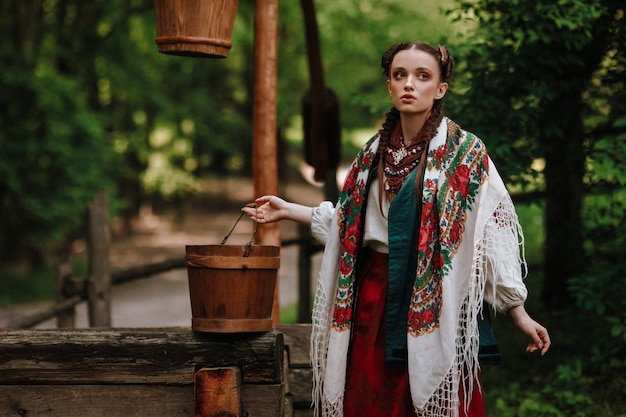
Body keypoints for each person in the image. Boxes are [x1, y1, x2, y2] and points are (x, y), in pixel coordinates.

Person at [242, 41, 551, 417]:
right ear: (389, 85)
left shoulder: (464, 152)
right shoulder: (372, 153)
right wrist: (288, 210)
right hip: (371, 296)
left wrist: (517, 310)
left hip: (432, 298)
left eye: (423, 76)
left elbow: (490, 235)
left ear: (440, 90)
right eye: (400, 75)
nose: (409, 84)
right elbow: (348, 224)